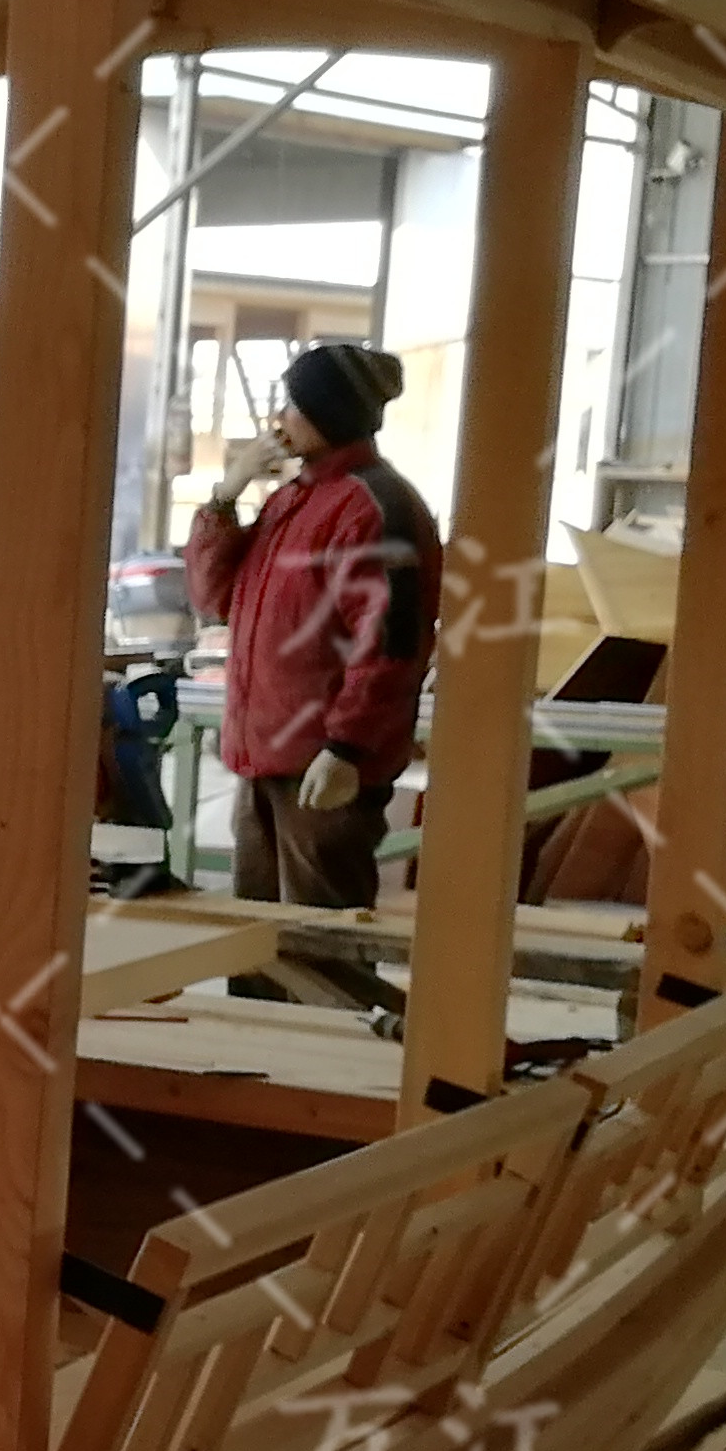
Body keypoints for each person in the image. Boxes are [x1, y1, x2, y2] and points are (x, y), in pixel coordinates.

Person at [184, 340, 441, 997]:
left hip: (322, 763)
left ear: (330, 411)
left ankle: (333, 1059)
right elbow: (216, 597)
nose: (280, 420)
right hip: (266, 756)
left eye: (293, 405)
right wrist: (225, 497)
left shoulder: (376, 507)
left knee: (322, 957)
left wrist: (347, 747)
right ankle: (258, 1059)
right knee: (257, 953)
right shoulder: (292, 501)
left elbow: (391, 643)